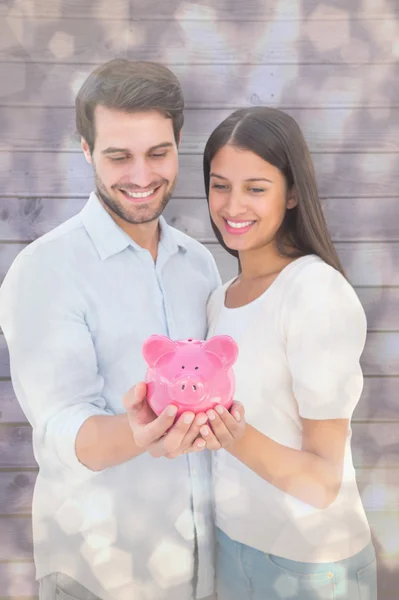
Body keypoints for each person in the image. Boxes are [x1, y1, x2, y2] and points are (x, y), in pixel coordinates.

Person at [0, 59, 244, 600]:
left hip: (200, 570)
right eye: (118, 156)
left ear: (179, 141)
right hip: (98, 576)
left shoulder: (197, 264)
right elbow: (62, 428)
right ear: (86, 150)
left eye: (158, 153)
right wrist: (138, 434)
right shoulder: (45, 271)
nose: (141, 175)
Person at [200, 106, 377, 600]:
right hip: (233, 547)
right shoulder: (221, 298)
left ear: (292, 193)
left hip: (310, 569)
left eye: (256, 188)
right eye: (220, 185)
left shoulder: (314, 292)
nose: (233, 205)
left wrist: (229, 434)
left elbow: (322, 481)